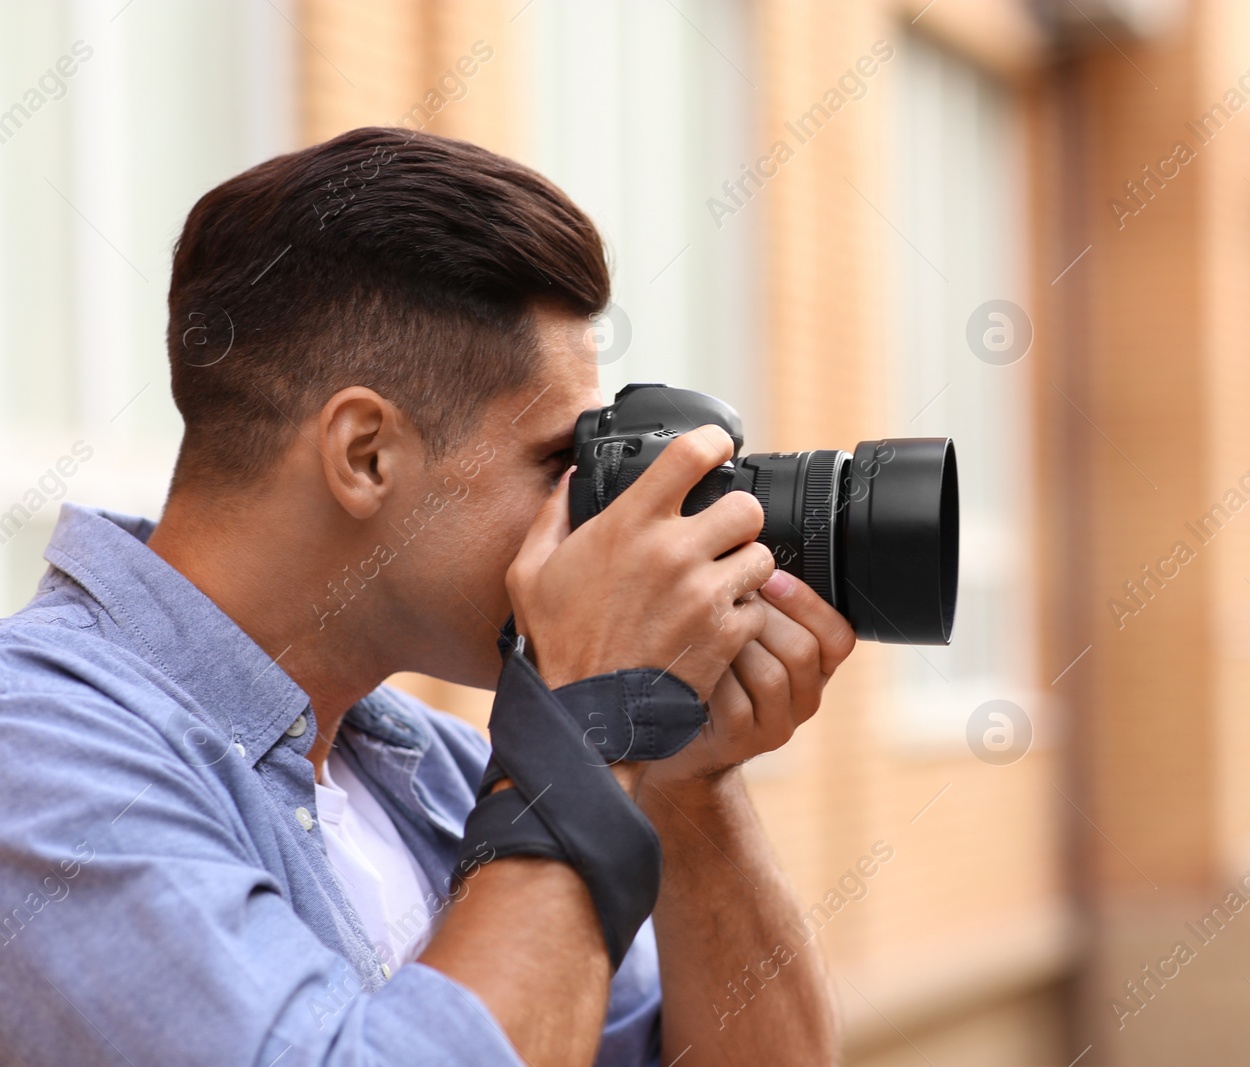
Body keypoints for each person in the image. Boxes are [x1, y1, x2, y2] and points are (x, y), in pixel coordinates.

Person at [0, 127, 855, 1066]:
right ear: (365, 455)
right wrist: (587, 725)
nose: (599, 521)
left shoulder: (435, 769)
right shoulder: (39, 753)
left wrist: (690, 791)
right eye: (561, 463)